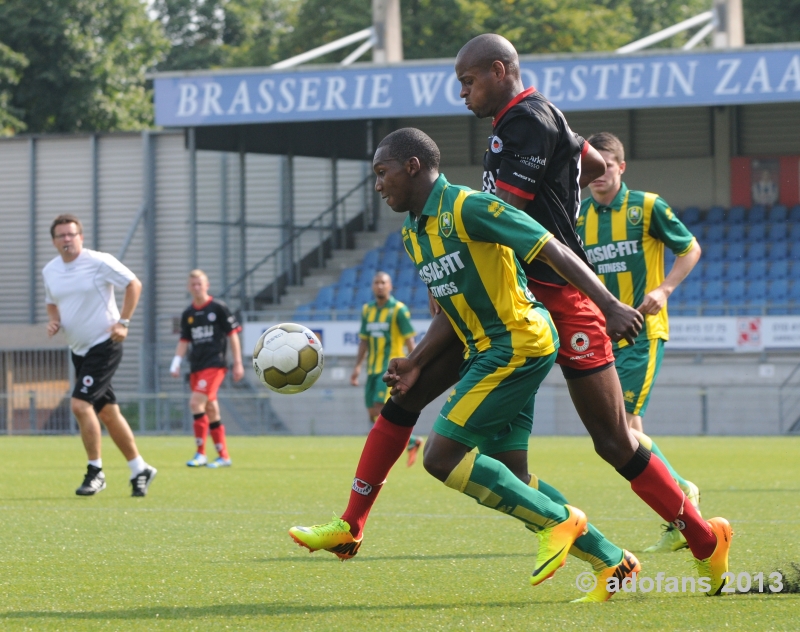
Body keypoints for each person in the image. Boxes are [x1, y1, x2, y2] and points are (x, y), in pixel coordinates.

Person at [290, 35, 732, 598]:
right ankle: (352, 524)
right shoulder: (538, 125)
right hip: (518, 296)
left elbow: (519, 222)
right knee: (430, 407)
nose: (462, 94)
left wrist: (603, 299)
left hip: (556, 297)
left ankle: (699, 535)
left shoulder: (522, 121)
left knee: (614, 440)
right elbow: (589, 161)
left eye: (468, 81)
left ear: (499, 71)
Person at [292, 128, 650, 600]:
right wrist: (416, 360)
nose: (378, 185)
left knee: (441, 457)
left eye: (383, 173)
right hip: (486, 348)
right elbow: (449, 307)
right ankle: (613, 560)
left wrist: (607, 304)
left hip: (518, 341)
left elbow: (553, 247)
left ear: (413, 166)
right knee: (508, 471)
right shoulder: (413, 232)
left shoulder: (471, 206)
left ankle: (559, 522)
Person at [578, 131, 703, 553]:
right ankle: (680, 503)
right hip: (602, 338)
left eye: (606, 166)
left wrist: (664, 289)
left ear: (621, 166)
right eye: (590, 167)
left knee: (626, 428)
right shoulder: (579, 218)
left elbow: (690, 249)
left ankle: (682, 498)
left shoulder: (647, 207)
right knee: (626, 430)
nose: (597, 175)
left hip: (643, 332)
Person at [43, 214, 157, 497]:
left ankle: (95, 472)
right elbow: (52, 303)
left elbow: (134, 283)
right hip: (78, 349)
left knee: (81, 406)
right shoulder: (50, 270)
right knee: (107, 412)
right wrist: (54, 321)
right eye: (61, 236)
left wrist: (124, 322)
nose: (67, 239)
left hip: (105, 344)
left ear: (80, 236)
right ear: (54, 241)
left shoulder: (98, 261)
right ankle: (139, 468)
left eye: (72, 234)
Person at [170, 270, 244, 468]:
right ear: (188, 287)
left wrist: (237, 362)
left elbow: (233, 335)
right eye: (193, 284)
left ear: (207, 285)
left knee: (195, 403)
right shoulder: (188, 314)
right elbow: (184, 340)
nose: (196, 287)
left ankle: (200, 453)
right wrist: (176, 362)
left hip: (215, 364)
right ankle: (224, 456)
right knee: (211, 409)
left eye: (199, 284)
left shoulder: (218, 307)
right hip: (196, 366)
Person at [351, 271, 422, 466]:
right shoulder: (367, 310)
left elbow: (409, 339)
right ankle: (412, 441)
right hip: (372, 369)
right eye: (376, 282)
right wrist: (357, 367)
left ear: (390, 286)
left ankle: (382, 454)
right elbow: (364, 341)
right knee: (372, 412)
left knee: (380, 409)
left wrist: (416, 365)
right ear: (372, 286)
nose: (380, 286)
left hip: (390, 369)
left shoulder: (398, 310)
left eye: (383, 282)